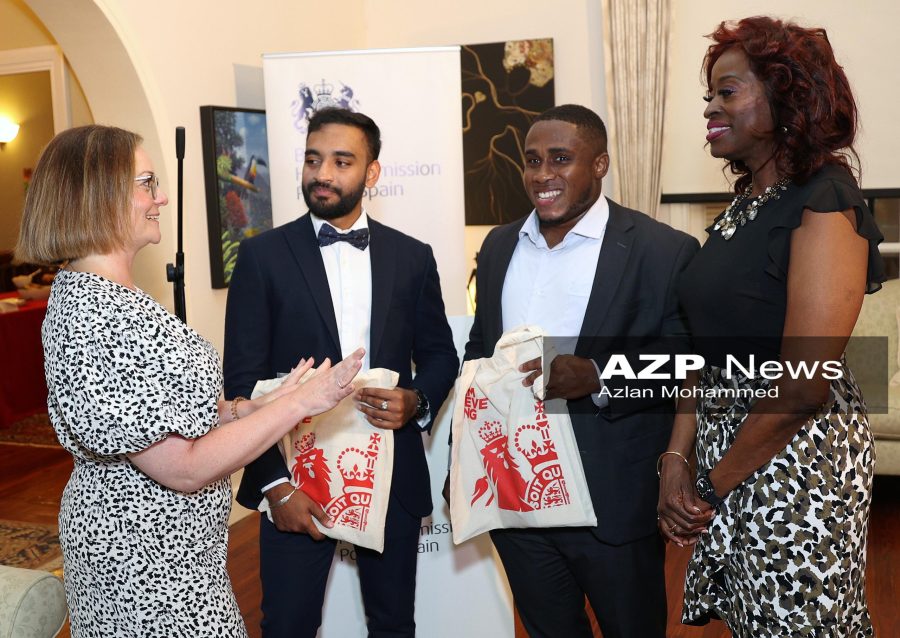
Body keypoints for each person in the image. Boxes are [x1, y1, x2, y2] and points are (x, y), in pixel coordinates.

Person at [14, 124, 364, 637]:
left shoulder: (117, 297)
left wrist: (251, 408)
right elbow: (182, 466)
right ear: (99, 196)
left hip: (176, 558)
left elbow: (166, 412)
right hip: (143, 567)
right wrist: (299, 404)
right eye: (146, 183)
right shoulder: (93, 314)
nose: (162, 197)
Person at [657, 16, 883, 636]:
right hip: (730, 456)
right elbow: (702, 353)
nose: (710, 107)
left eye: (727, 92)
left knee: (801, 624)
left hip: (796, 463)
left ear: (787, 98)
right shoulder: (746, 206)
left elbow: (804, 385)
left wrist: (712, 484)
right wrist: (677, 456)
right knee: (754, 623)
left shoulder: (825, 199)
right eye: (709, 94)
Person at [463, 104, 700, 638]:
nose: (542, 174)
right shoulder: (499, 246)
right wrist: (469, 453)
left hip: (610, 498)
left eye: (560, 159)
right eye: (532, 160)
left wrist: (599, 375)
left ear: (599, 164)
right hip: (516, 494)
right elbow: (480, 350)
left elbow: (685, 361)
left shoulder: (663, 250)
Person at [224, 107, 458, 638]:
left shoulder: (413, 257)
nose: (322, 174)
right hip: (295, 475)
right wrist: (276, 487)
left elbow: (441, 354)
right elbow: (242, 383)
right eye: (313, 160)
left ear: (372, 173)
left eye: (341, 161)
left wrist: (417, 401)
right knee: (288, 625)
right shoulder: (262, 257)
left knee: (393, 624)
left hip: (391, 472)